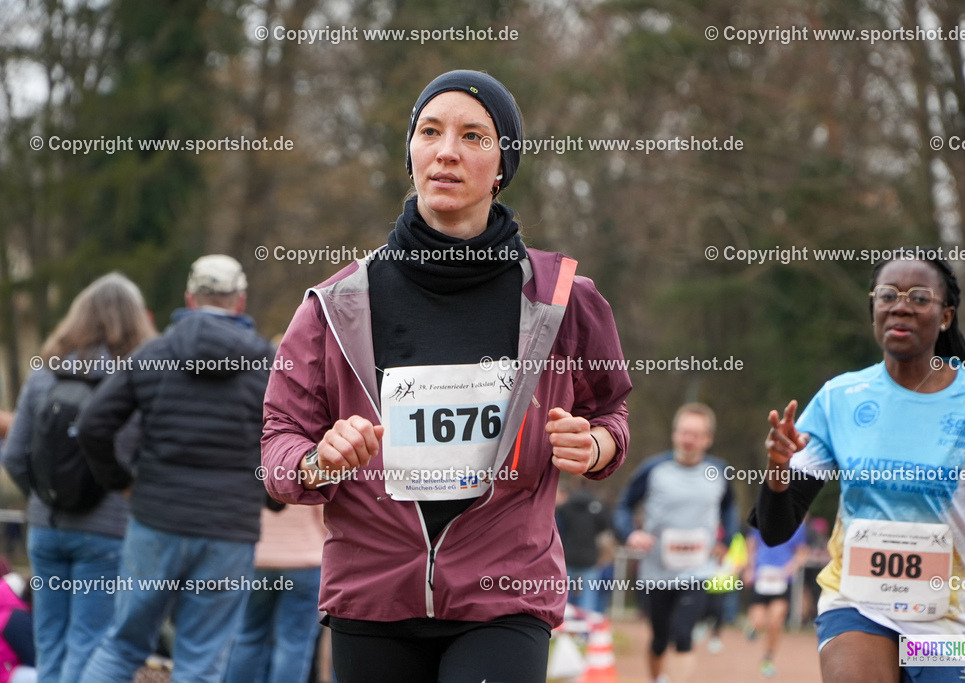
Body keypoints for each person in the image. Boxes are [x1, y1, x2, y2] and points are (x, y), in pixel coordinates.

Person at [261, 69, 631, 682]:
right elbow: (278, 441)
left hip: (504, 595)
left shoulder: (564, 299)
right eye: (429, 131)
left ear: (504, 163)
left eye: (474, 136)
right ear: (411, 155)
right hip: (373, 597)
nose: (447, 151)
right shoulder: (335, 303)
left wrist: (595, 446)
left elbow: (612, 413)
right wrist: (316, 462)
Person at [753, 251, 965, 683]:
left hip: (949, 616)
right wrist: (778, 470)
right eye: (887, 295)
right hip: (857, 603)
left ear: (946, 316)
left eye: (919, 297)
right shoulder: (839, 397)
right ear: (874, 308)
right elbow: (775, 528)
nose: (900, 306)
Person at [76, 255, 275, 683]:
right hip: (228, 529)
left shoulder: (154, 354)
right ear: (239, 301)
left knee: (122, 645)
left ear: (189, 298)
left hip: (155, 521)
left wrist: (122, 483)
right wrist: (269, 497)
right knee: (201, 662)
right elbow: (289, 434)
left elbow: (92, 425)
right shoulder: (268, 365)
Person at [0, 273, 155, 683]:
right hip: (106, 531)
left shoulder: (44, 376)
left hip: (46, 529)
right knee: (90, 641)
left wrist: (46, 497)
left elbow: (15, 456)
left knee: (49, 640)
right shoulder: (135, 381)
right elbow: (142, 461)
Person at [614, 403, 736, 683]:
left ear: (707, 439)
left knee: (683, 634)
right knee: (659, 638)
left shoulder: (718, 471)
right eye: (683, 432)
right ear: (674, 434)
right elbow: (624, 506)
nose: (688, 439)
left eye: (695, 434)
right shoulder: (653, 469)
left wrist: (726, 539)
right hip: (656, 571)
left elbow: (730, 508)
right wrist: (630, 534)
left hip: (698, 569)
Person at [223, 503, 327, 683]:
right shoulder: (306, 472)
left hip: (258, 557)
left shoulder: (257, 473)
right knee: (293, 643)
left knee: (248, 636)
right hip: (303, 560)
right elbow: (325, 514)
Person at [745, 521, 808, 677]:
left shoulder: (797, 525)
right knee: (759, 623)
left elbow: (802, 552)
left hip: (782, 581)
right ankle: (754, 628)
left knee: (775, 622)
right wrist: (749, 568)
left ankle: (767, 659)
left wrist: (791, 568)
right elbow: (751, 545)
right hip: (762, 577)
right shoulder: (762, 519)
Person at [555, 477, 612, 614]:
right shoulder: (598, 507)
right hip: (589, 558)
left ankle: (562, 629)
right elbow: (605, 528)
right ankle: (587, 630)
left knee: (563, 599)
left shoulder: (564, 507)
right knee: (588, 598)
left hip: (566, 557)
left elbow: (557, 529)